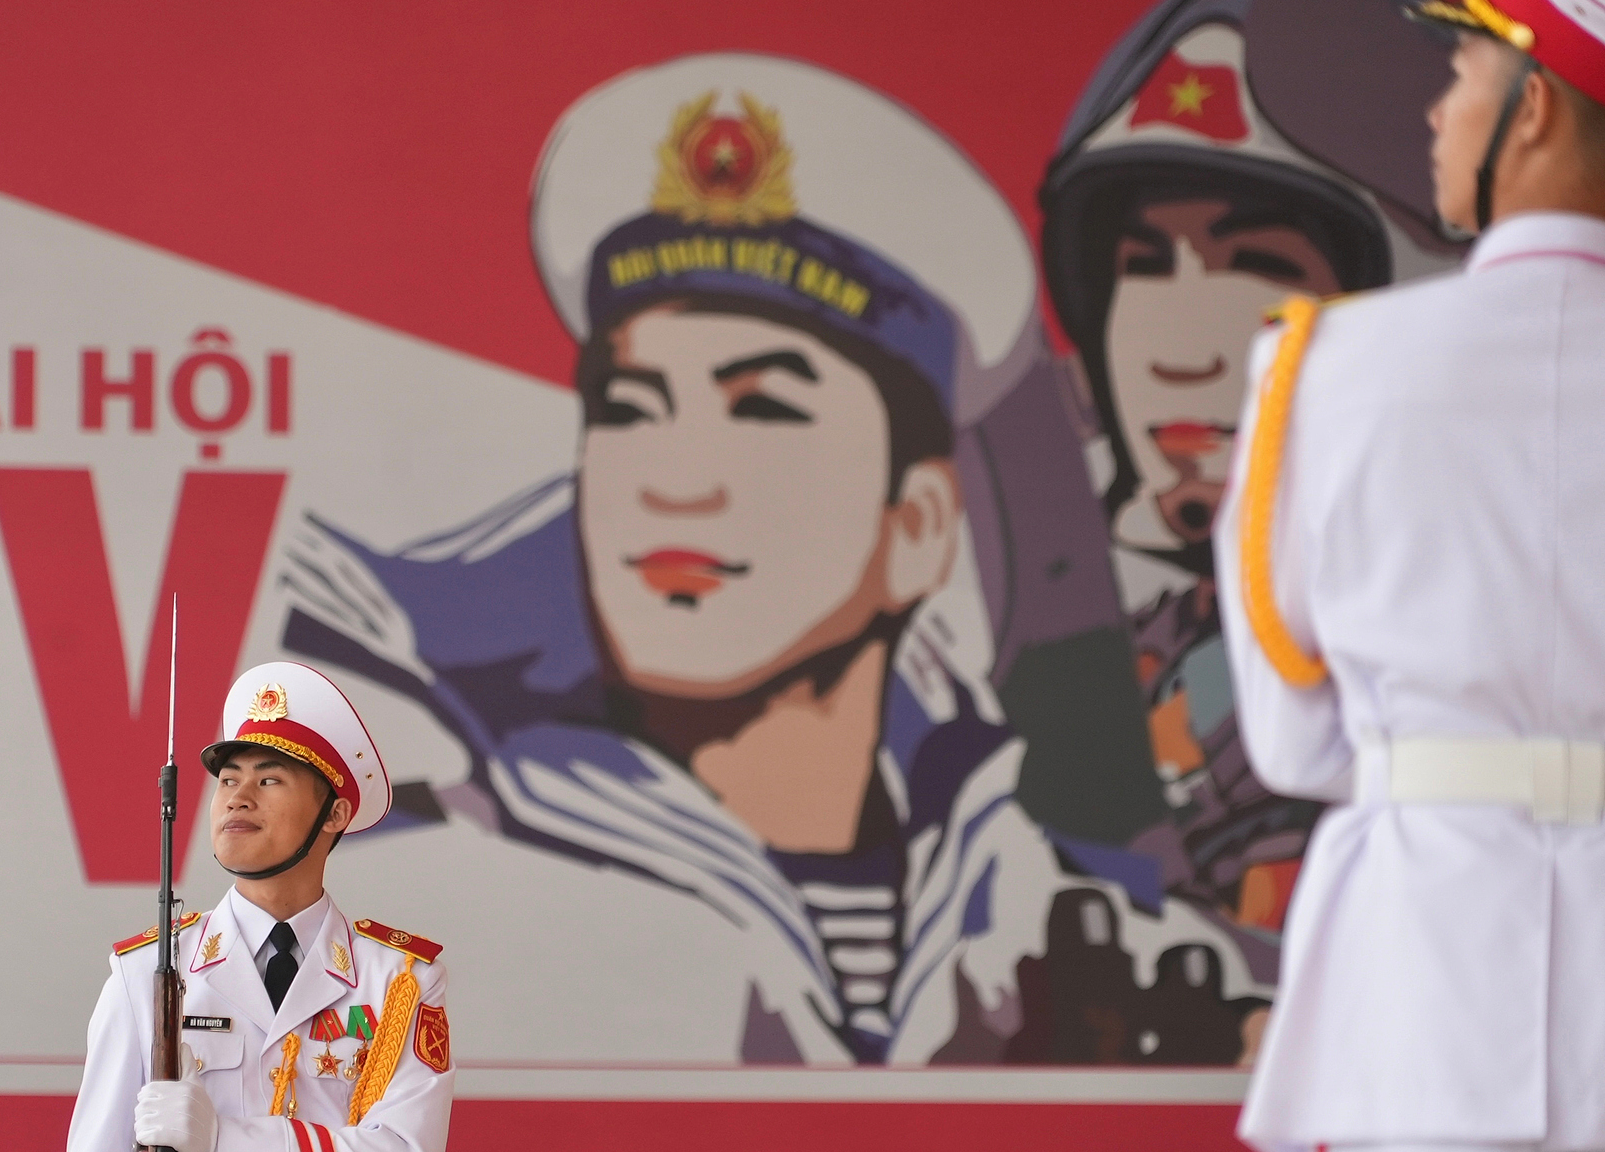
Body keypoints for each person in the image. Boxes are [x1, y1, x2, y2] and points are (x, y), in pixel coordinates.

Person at [278, 52, 1266, 1067]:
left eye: (761, 408)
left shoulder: (1038, 918)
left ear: (918, 525)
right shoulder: (414, 897)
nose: (673, 481)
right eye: (629, 408)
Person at [1218, 0, 1605, 1147]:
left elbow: (1294, 743)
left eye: (1461, 70)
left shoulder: (1326, 369)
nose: (1436, 111)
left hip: (1424, 966)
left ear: (1529, 108)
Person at [1040, 0, 1461, 949]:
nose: (1177, 354)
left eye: (1259, 264)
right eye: (1143, 268)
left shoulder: (1468, 606)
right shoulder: (1027, 609)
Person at [67, 662, 453, 1152]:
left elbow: (406, 1146)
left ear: (335, 813)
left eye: (269, 781)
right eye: (228, 781)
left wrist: (225, 1138)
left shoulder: (400, 981)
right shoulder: (143, 972)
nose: (238, 799)